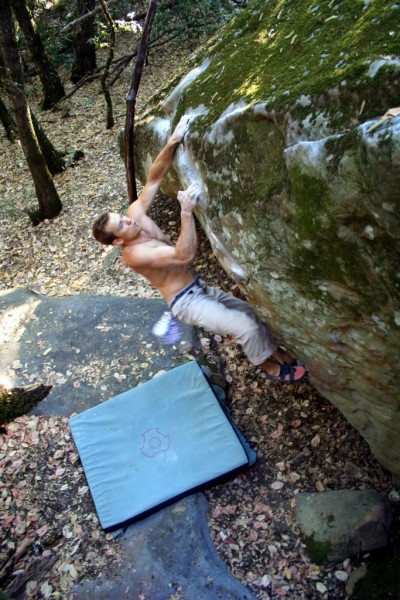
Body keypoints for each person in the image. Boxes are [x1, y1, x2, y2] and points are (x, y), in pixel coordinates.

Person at [92, 116, 307, 383]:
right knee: (246, 327)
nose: (129, 220)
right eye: (121, 225)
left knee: (249, 312)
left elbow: (153, 178)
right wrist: (185, 212)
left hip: (198, 286)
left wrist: (172, 141)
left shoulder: (135, 214)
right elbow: (184, 255)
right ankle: (271, 369)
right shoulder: (134, 255)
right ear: (117, 242)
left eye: (121, 217)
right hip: (187, 302)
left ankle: (276, 352)